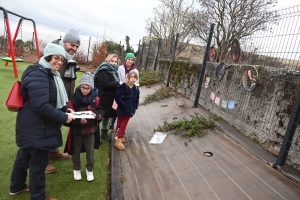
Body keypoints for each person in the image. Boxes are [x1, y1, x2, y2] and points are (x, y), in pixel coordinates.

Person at [9, 43, 74, 200]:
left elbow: (48, 101)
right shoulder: (40, 74)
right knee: (38, 164)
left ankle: (16, 187)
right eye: (56, 58)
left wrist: (65, 110)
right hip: (37, 126)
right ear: (48, 56)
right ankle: (38, 197)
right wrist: (64, 117)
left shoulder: (47, 72)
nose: (59, 62)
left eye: (62, 60)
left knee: (24, 157)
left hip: (32, 125)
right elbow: (42, 106)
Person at [46, 29, 81, 173]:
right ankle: (43, 160)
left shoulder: (68, 58)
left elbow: (68, 80)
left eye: (77, 47)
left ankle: (52, 151)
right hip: (50, 99)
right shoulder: (54, 54)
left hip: (62, 99)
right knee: (47, 129)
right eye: (72, 45)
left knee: (56, 126)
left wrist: (70, 98)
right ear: (64, 41)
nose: (74, 48)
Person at [65, 72, 104, 181]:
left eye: (88, 88)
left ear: (91, 88)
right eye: (83, 87)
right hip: (77, 130)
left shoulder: (96, 99)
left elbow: (101, 111)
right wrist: (78, 120)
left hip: (91, 130)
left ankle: (89, 169)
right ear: (79, 86)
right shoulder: (73, 99)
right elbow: (68, 114)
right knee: (75, 151)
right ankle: (76, 169)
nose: (85, 90)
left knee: (90, 152)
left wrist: (96, 115)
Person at [94, 54, 122, 142]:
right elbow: (105, 84)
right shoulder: (104, 70)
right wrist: (118, 83)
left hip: (110, 97)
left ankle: (104, 133)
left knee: (106, 115)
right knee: (100, 115)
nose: (114, 63)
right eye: (112, 61)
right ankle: (95, 136)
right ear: (108, 61)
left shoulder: (113, 71)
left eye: (115, 61)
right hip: (103, 97)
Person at [112, 52, 139, 132]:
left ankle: (118, 131)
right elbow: (117, 78)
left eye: (132, 60)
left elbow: (137, 82)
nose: (130, 61)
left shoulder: (135, 71)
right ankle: (113, 126)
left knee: (125, 115)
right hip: (121, 90)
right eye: (129, 59)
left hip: (129, 93)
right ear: (126, 59)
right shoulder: (120, 68)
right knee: (116, 110)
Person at [114, 71, 140, 150]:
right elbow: (117, 97)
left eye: (134, 78)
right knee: (121, 123)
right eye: (131, 77)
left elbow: (136, 99)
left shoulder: (136, 88)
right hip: (123, 109)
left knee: (123, 123)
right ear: (128, 78)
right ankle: (118, 140)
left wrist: (135, 106)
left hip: (130, 110)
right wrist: (123, 105)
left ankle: (118, 136)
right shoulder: (124, 87)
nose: (133, 79)